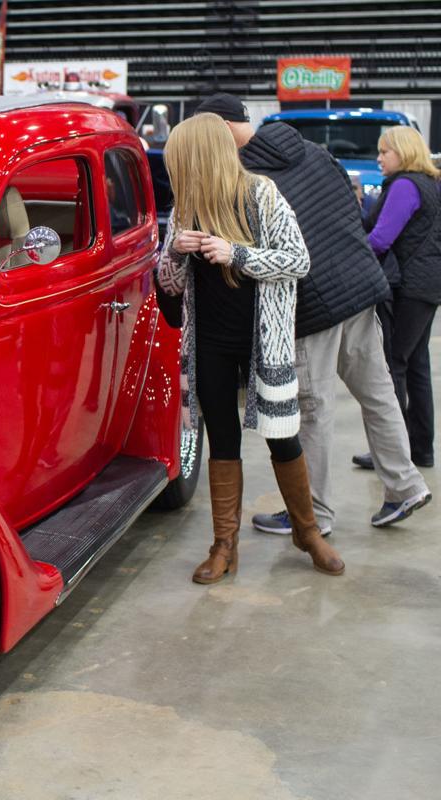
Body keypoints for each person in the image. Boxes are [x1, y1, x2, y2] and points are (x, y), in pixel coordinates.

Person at [190, 93, 431, 534]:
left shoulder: (250, 177)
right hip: (361, 287)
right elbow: (354, 211)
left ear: (221, 129)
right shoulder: (317, 153)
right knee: (378, 394)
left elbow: (259, 251)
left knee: (311, 410)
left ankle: (314, 516)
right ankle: (405, 486)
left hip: (313, 303)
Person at [158, 112, 344, 583]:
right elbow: (169, 283)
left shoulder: (262, 194)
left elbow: (297, 259)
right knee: (222, 439)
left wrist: (236, 253)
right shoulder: (184, 208)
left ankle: (307, 532)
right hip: (210, 344)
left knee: (283, 436)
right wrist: (177, 251)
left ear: (198, 156)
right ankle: (224, 546)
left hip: (266, 341)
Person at [355, 126, 441, 470]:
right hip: (427, 285)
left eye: (384, 151)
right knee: (416, 364)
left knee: (396, 366)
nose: (378, 158)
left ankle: (394, 453)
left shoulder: (405, 185)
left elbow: (379, 240)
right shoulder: (431, 183)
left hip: (409, 287)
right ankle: (420, 449)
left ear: (402, 152)